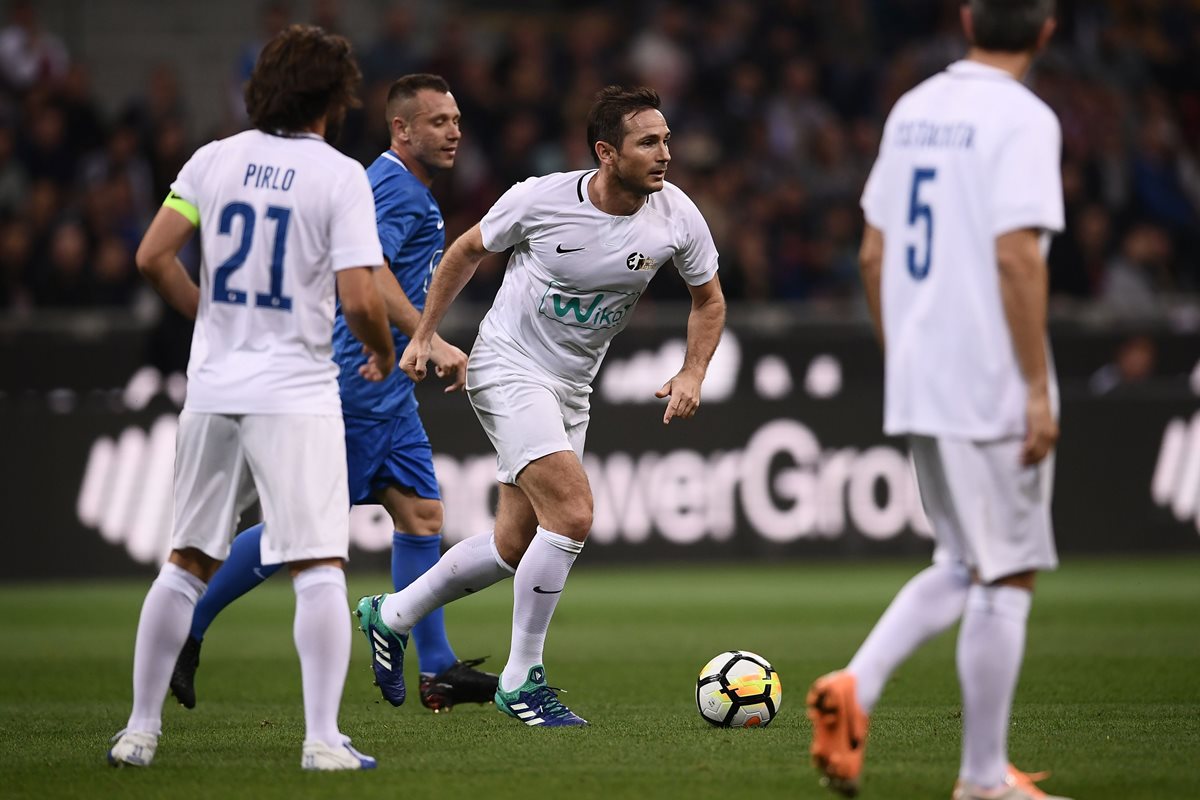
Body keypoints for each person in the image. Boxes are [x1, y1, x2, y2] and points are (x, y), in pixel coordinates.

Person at [356, 85, 726, 727]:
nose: (665, 153)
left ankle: (390, 616)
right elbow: (466, 251)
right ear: (607, 153)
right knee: (574, 512)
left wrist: (694, 371)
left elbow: (709, 301)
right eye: (649, 142)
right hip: (507, 365)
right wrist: (424, 334)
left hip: (571, 387)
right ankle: (523, 677)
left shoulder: (676, 216)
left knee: (512, 542)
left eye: (666, 139)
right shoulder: (540, 198)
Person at [107, 24, 393, 771]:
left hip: (213, 388)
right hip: (293, 392)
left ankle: (138, 731)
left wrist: (208, 313)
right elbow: (360, 295)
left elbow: (151, 255)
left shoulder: (213, 159)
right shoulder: (338, 175)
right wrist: (382, 345)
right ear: (334, 96)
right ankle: (323, 741)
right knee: (320, 565)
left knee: (184, 560)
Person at [167, 73, 499, 715]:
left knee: (423, 515)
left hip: (390, 391)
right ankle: (186, 622)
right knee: (296, 531)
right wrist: (429, 338)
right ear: (400, 129)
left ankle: (436, 667)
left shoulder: (401, 189)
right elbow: (368, 280)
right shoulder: (394, 191)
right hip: (360, 383)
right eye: (438, 122)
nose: (454, 131)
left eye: (456, 120)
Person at [804, 2, 1072, 799]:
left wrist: (906, 359)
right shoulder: (1024, 118)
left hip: (923, 370)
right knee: (1009, 571)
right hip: (989, 374)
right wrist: (1033, 386)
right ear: (1047, 30)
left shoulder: (913, 109)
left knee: (961, 560)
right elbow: (1018, 258)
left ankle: (856, 686)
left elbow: (872, 253)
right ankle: (983, 779)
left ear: (966, 20)